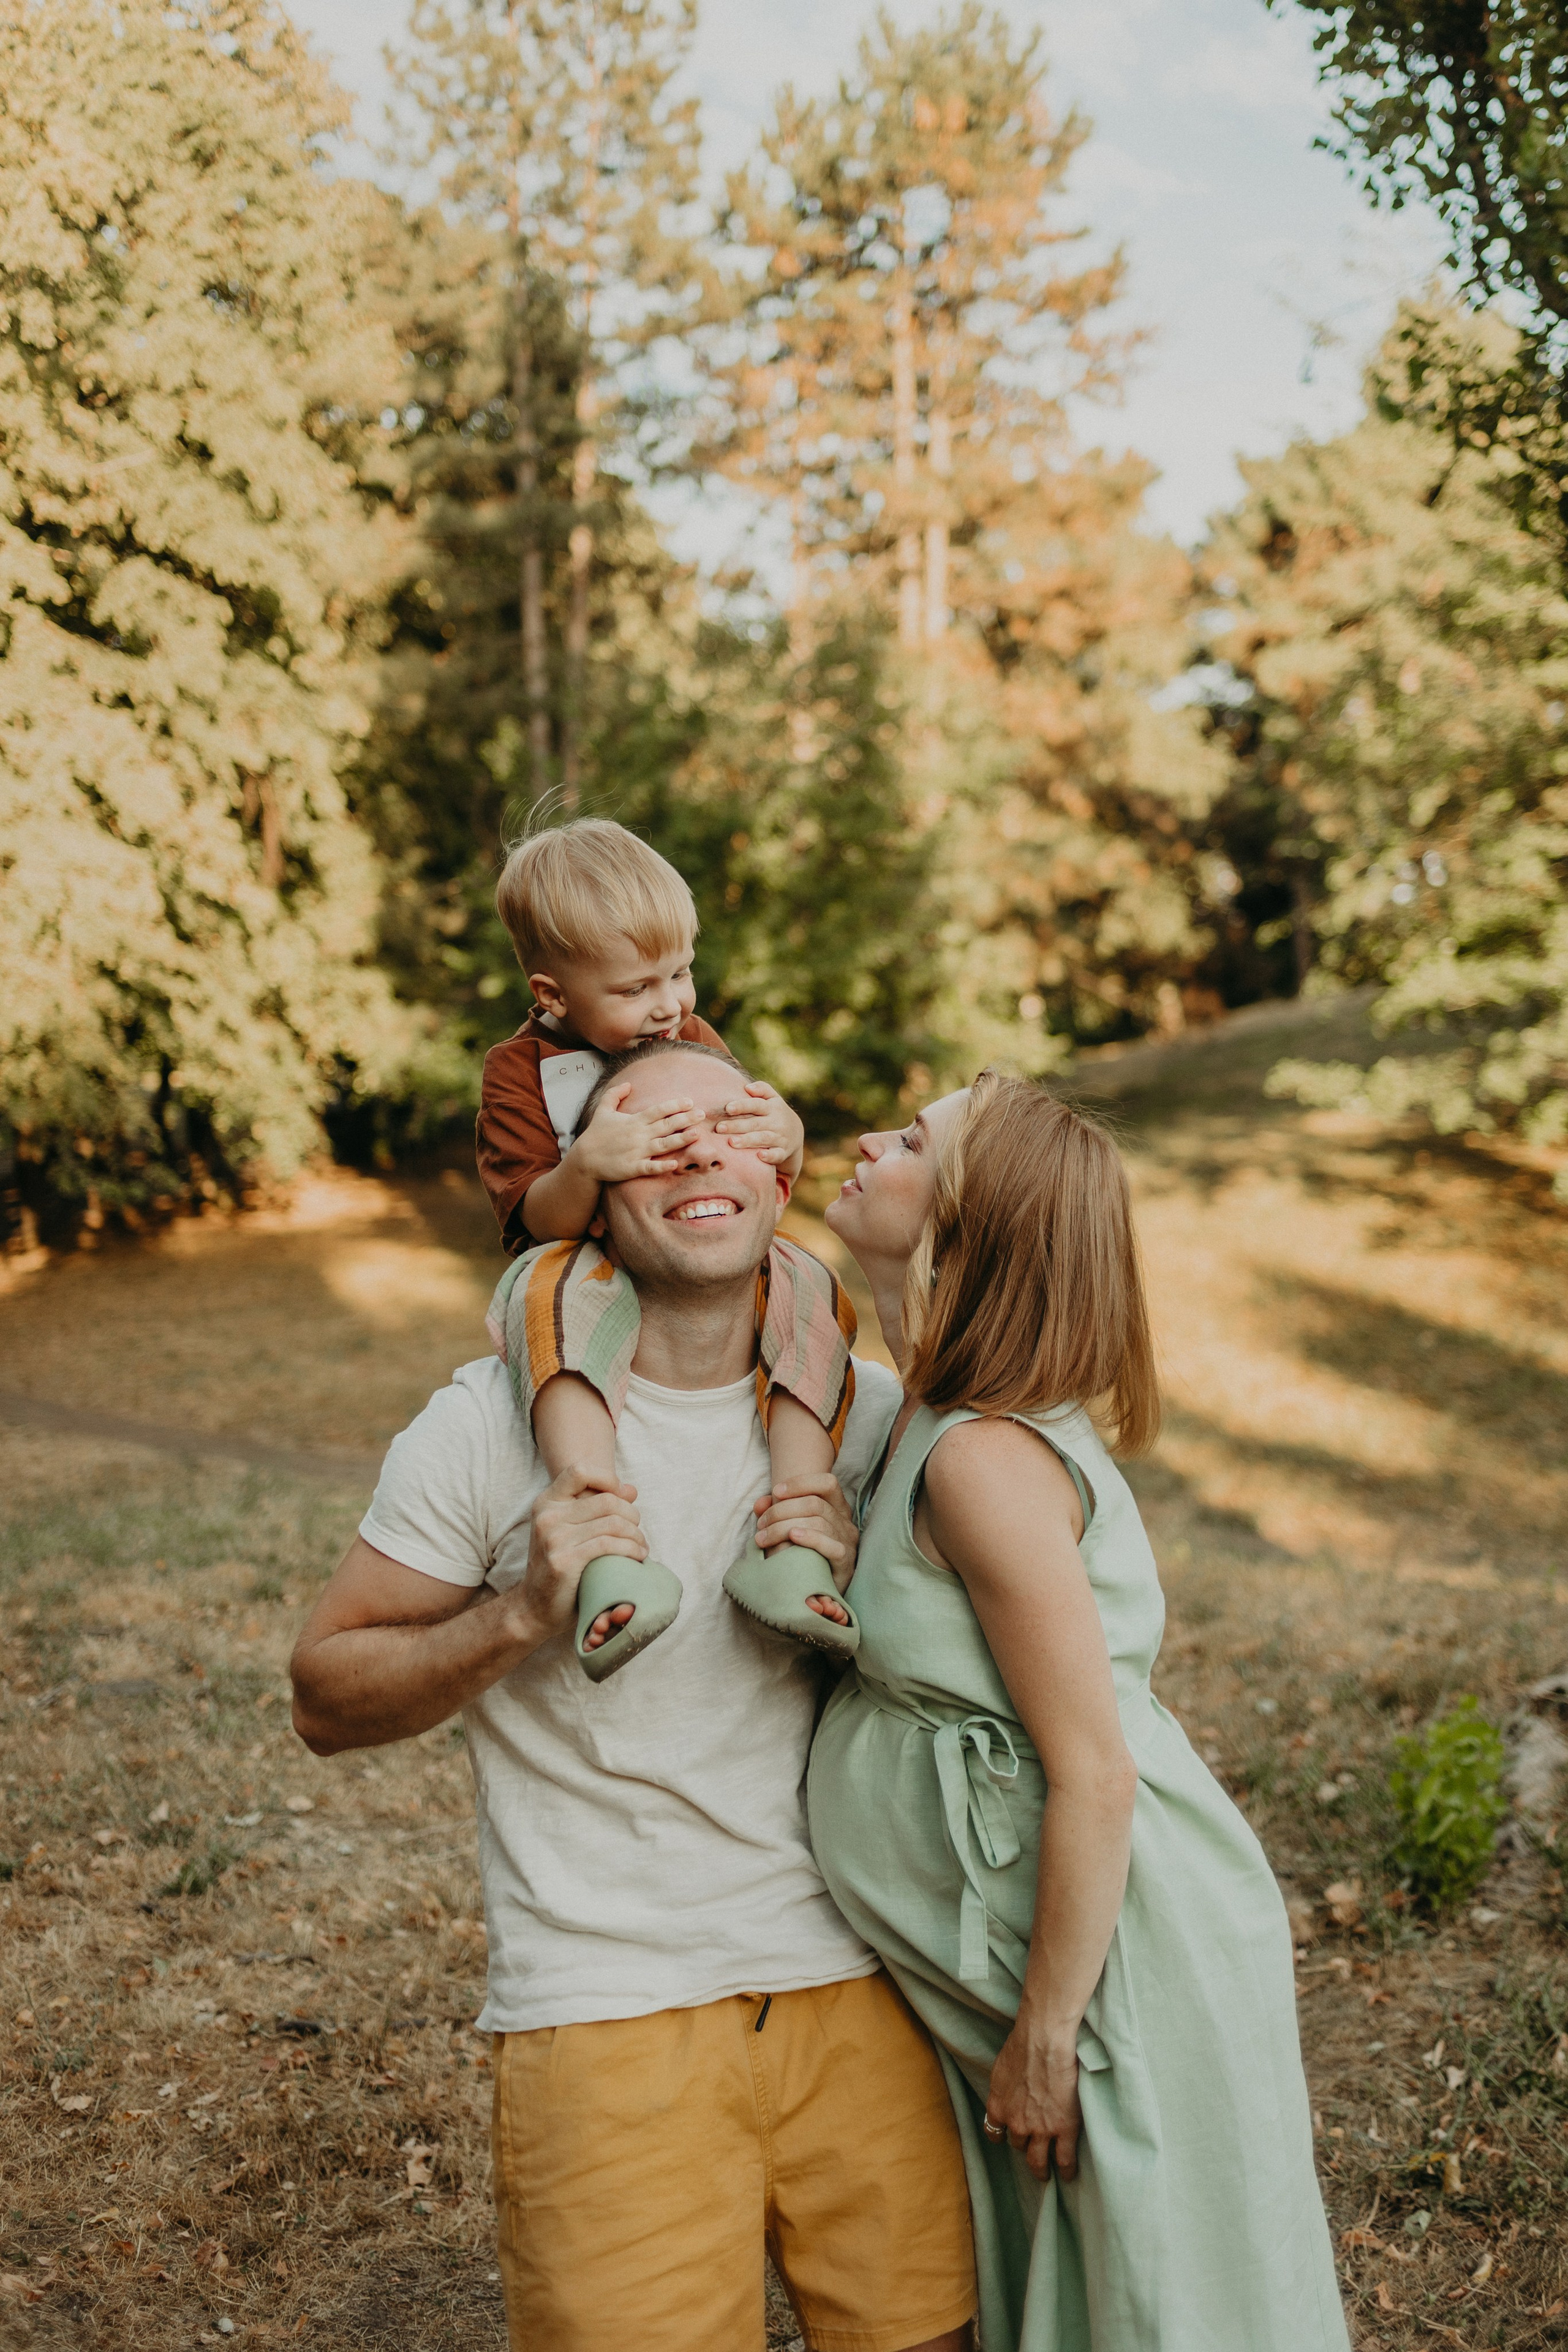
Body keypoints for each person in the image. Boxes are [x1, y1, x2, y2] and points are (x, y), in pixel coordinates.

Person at [289, 1039, 978, 2352]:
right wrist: (515, 1615)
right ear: (590, 1197)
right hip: (605, 2010)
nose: (698, 1149)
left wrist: (872, 1592)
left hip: (870, 1983)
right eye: (651, 1135)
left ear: (780, 1173)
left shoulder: (877, 1420)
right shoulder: (481, 1428)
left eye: (728, 1123)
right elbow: (324, 1694)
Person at [809, 1072, 1351, 2352]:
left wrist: (1049, 2035)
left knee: (1157, 2299)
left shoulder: (984, 1459)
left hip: (1108, 1957)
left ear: (965, 1225)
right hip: (1030, 1939)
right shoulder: (917, 1408)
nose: (868, 1145)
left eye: (909, 1142)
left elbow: (1094, 1770)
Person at [477, 820, 859, 1675]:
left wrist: (790, 1139)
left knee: (806, 1278)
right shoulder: (518, 1075)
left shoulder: (689, 1038)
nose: (669, 1005)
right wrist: (586, 1166)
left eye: (681, 972)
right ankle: (603, 1538)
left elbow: (755, 1152)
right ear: (552, 994)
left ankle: (795, 1535)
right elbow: (533, 1216)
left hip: (696, 1251)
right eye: (637, 987)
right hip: (582, 1264)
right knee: (543, 1284)